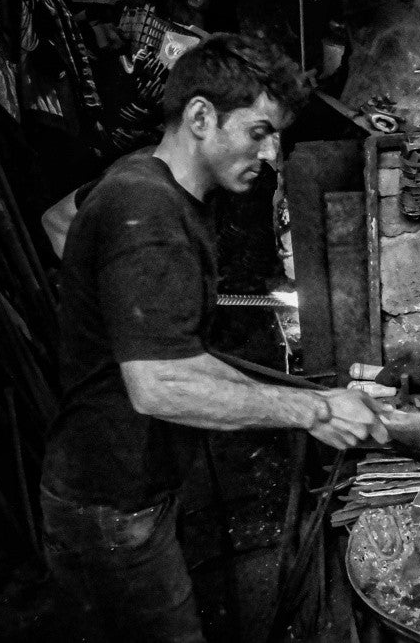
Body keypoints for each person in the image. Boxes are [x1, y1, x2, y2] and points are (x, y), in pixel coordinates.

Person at [39, 33, 387, 642]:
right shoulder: (147, 213)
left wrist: (315, 402)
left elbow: (60, 220)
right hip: (111, 504)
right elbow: (159, 386)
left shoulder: (147, 180)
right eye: (259, 132)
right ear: (201, 117)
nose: (272, 154)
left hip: (132, 488)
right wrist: (313, 411)